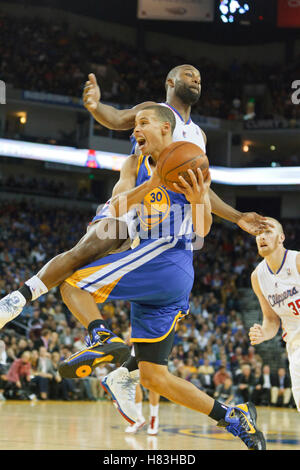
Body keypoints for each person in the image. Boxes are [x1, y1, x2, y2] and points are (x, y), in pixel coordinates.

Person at [0, 65, 271, 344]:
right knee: (89, 248)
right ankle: (17, 300)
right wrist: (95, 107)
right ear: (170, 81)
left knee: (153, 290)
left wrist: (237, 217)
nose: (196, 78)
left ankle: (122, 361)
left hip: (166, 217)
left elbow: (201, 189)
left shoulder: (199, 136)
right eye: (189, 74)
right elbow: (117, 119)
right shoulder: (152, 111)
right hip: (134, 195)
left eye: (199, 77)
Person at [59, 105, 265, 450]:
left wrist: (200, 199)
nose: (134, 131)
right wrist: (151, 184)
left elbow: (202, 229)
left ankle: (103, 339)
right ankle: (232, 416)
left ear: (166, 128)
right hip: (163, 276)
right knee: (155, 376)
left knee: (72, 283)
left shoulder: (188, 164)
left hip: (166, 256)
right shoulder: (133, 165)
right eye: (133, 125)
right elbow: (116, 207)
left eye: (143, 123)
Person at [249, 217, 300, 413]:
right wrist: (263, 333)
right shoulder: (258, 276)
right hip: (295, 347)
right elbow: (271, 320)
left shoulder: (296, 261)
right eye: (258, 233)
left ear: (281, 238)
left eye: (268, 231)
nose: (262, 236)